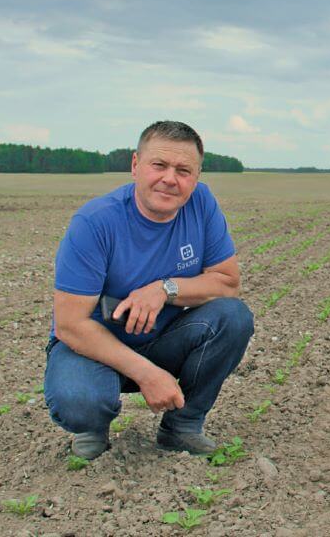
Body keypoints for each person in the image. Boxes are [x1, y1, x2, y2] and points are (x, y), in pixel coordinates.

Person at [44, 120, 253, 460]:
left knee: (233, 317)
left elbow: (227, 282)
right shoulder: (95, 223)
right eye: (159, 165)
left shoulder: (201, 204)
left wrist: (164, 289)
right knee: (79, 401)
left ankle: (182, 426)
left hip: (162, 338)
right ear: (135, 165)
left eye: (184, 170)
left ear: (197, 177)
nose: (170, 179)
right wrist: (147, 374)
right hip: (93, 346)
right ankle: (92, 424)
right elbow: (70, 325)